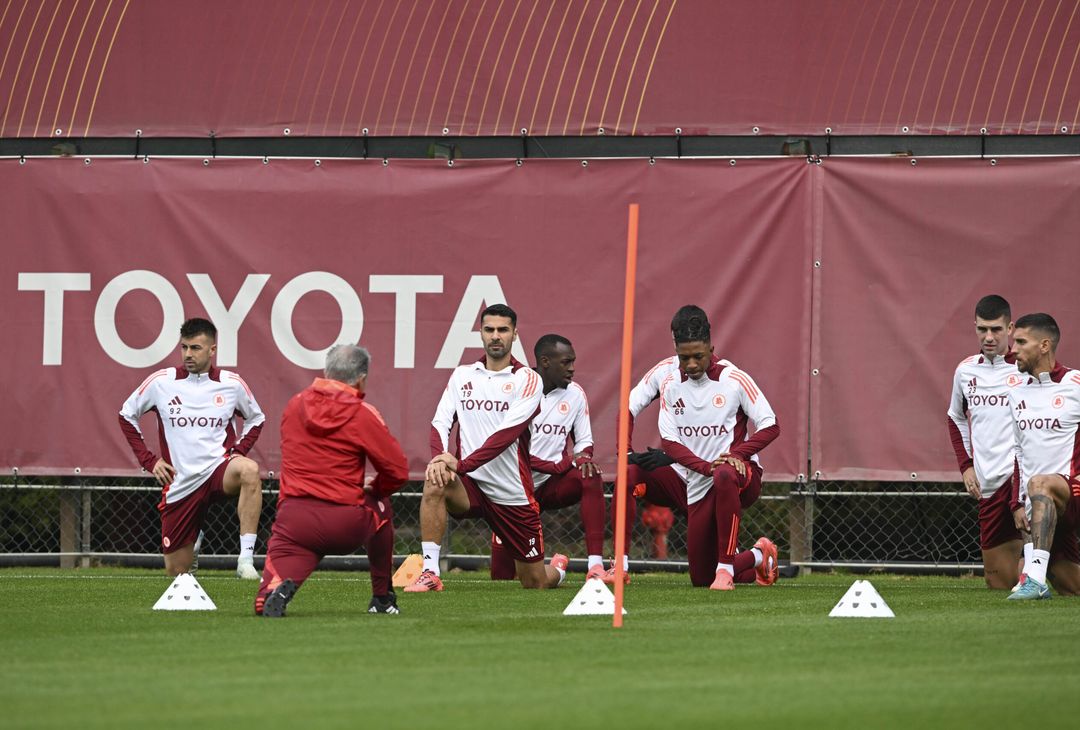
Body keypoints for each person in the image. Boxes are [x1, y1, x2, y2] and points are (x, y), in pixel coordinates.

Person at [406, 304, 568, 592]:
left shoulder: (528, 379)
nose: (496, 336)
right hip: (471, 487)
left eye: (503, 330)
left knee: (535, 583)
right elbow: (440, 422)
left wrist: (462, 464)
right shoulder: (462, 375)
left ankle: (557, 568)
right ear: (480, 333)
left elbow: (505, 435)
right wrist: (441, 460)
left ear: (514, 335)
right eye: (489, 329)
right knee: (434, 479)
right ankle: (430, 572)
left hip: (511, 492)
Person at [255, 344, 408, 617]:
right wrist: (374, 490)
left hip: (294, 522)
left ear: (326, 371)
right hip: (343, 522)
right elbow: (397, 472)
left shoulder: (295, 405)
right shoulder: (362, 413)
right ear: (361, 378)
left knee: (262, 602)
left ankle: (274, 591)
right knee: (381, 506)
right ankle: (382, 598)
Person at [118, 317, 265, 579]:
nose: (188, 354)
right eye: (184, 347)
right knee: (177, 573)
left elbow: (257, 418)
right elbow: (126, 415)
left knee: (250, 471)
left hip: (219, 470)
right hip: (181, 481)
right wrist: (149, 461)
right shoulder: (162, 381)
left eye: (195, 348)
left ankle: (245, 560)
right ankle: (193, 535)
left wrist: (239, 451)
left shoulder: (232, 383)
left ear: (212, 350)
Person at [656, 311, 781, 590]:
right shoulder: (670, 385)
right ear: (676, 351)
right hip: (700, 482)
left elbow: (770, 425)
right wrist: (704, 467)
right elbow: (669, 441)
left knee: (724, 473)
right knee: (701, 578)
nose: (690, 364)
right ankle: (759, 556)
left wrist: (737, 455)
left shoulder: (734, 378)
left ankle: (725, 569)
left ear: (711, 349)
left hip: (740, 476)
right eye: (683, 357)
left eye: (698, 356)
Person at [489, 334, 607, 582]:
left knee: (590, 474)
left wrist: (583, 457)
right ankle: (559, 569)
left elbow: (584, 442)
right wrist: (561, 464)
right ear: (544, 362)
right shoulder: (516, 388)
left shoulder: (575, 394)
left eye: (573, 362)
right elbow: (505, 448)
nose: (572, 369)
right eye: (566, 362)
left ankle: (595, 566)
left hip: (551, 486)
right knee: (502, 578)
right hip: (513, 490)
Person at [946, 295, 1025, 589]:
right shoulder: (966, 371)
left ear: (1011, 328)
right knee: (999, 584)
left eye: (996, 329)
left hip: (1023, 477)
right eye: (982, 329)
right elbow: (955, 418)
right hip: (987, 483)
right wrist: (966, 466)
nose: (989, 337)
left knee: (1040, 567)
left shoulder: (1025, 368)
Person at [1005, 313, 1080, 600]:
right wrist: (1015, 504)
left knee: (1039, 484)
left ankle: (1034, 579)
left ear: (1044, 346)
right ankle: (1037, 577)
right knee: (1071, 588)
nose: (1013, 349)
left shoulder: (1074, 383)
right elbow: (1018, 452)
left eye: (1022, 342)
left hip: (1072, 492)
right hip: (1040, 505)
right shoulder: (1016, 393)